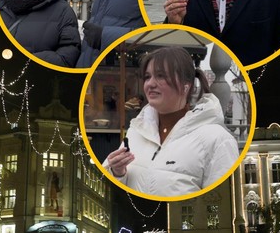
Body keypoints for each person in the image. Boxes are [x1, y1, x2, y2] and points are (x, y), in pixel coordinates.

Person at [102, 46, 239, 197]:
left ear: (185, 86)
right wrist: (118, 173)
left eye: (160, 76)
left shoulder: (218, 140)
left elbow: (222, 201)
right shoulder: (137, 130)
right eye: (147, 77)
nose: (150, 84)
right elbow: (116, 196)